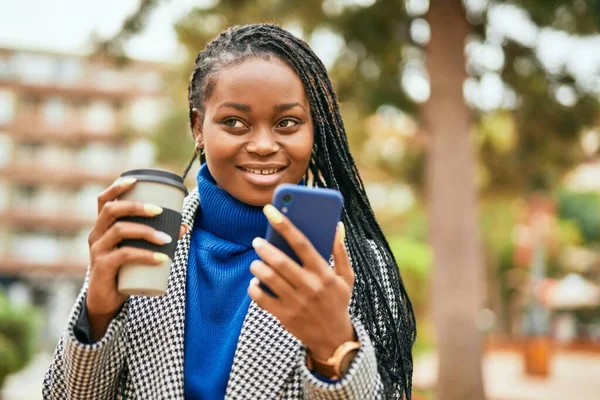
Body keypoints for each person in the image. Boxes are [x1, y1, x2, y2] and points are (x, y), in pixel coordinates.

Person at [43, 24, 416, 399]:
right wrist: (98, 314)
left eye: (287, 122)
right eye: (234, 122)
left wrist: (332, 346)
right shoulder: (142, 242)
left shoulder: (357, 267)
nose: (264, 145)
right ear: (198, 127)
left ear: (312, 130)